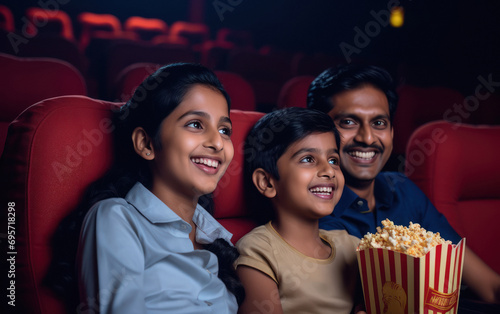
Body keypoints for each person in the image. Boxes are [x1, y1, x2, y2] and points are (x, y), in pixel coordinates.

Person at [48, 63, 244, 313]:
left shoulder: (217, 236)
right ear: (146, 144)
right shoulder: (115, 218)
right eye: (195, 124)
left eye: (224, 130)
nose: (218, 142)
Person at [307, 64, 500, 304]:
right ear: (316, 132)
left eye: (379, 123)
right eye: (348, 122)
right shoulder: (311, 205)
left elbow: (489, 286)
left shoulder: (404, 191)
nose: (367, 138)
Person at [236, 107, 365, 314]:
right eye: (308, 159)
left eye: (333, 160)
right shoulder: (258, 251)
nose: (328, 171)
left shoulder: (351, 245)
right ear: (267, 182)